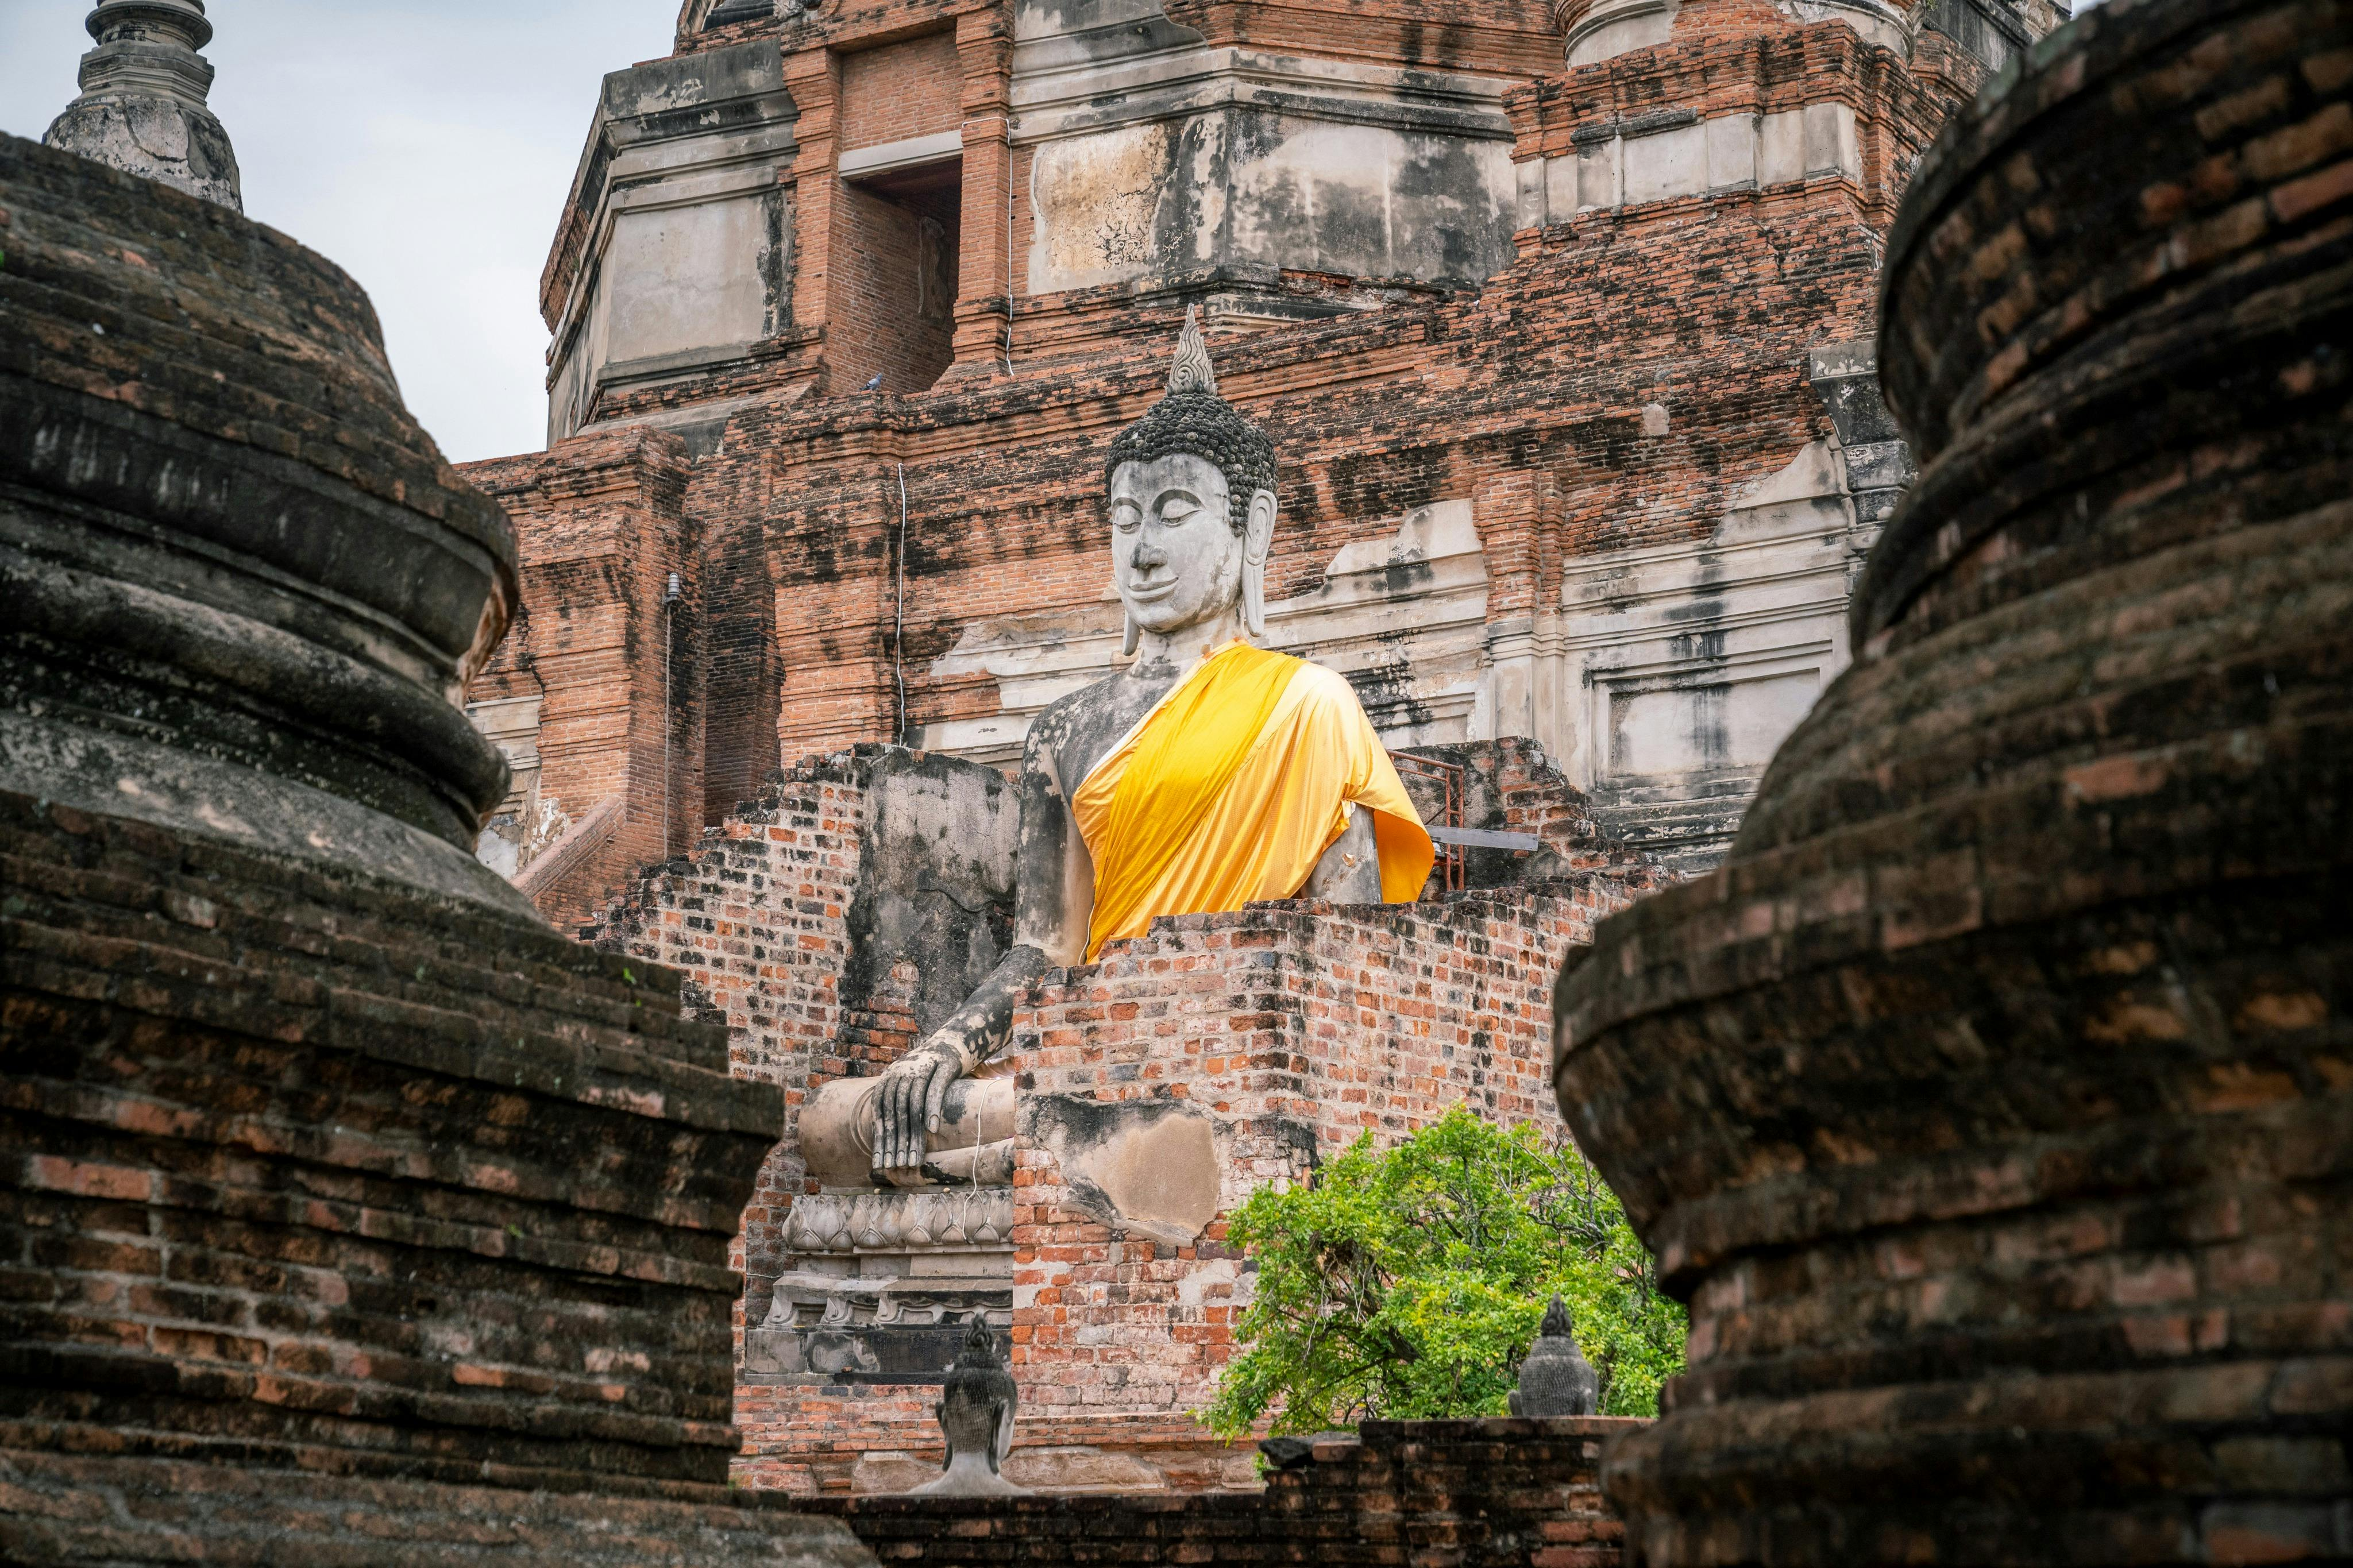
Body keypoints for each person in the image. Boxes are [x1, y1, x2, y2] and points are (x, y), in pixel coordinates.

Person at [869, 309, 1434, 1181]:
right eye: (1125, 515)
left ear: (1253, 530)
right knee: (863, 1119)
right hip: (1098, 1052)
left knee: (1152, 1125)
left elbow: (1350, 948)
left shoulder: (1309, 707)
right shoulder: (1064, 728)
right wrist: (941, 1048)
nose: (1141, 547)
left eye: (1174, 511)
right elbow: (1046, 950)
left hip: (1249, 1055)